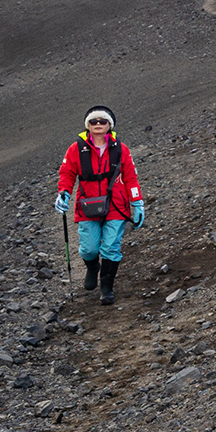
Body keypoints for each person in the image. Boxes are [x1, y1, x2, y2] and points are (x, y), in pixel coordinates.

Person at [54, 106, 144, 305]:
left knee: (111, 247)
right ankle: (92, 266)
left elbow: (130, 177)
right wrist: (64, 193)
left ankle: (106, 288)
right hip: (87, 204)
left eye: (102, 122)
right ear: (88, 125)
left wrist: (137, 203)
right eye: (93, 122)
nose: (98, 125)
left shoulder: (121, 148)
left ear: (109, 125)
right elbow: (67, 173)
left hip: (116, 205)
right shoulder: (76, 148)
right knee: (89, 249)